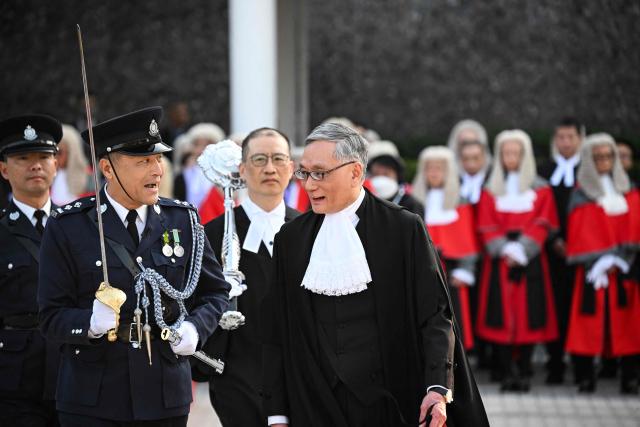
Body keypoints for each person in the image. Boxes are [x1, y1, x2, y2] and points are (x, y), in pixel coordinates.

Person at [262, 123, 488, 427]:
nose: (309, 185)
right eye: (304, 173)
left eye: (320, 173)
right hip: (314, 403)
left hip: (391, 401)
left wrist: (437, 387)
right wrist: (277, 413)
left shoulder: (404, 229)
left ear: (355, 172)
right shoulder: (291, 239)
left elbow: (435, 315)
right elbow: (276, 330)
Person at [38, 106, 231, 425]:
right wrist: (89, 322)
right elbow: (50, 315)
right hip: (93, 395)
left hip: (164, 392)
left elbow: (215, 293)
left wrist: (196, 327)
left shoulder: (181, 219)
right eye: (143, 161)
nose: (157, 170)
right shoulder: (69, 225)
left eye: (158, 159)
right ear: (108, 168)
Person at [192, 128, 300, 426]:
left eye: (278, 159)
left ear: (291, 167)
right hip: (237, 374)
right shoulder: (212, 233)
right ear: (242, 169)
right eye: (259, 159)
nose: (269, 168)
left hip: (298, 374)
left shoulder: (310, 229)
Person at [475, 130, 559, 392]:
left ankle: (524, 371)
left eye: (516, 153)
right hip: (500, 263)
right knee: (500, 315)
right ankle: (505, 371)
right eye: (506, 153)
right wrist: (505, 250)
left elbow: (544, 221)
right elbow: (486, 224)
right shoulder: (490, 189)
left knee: (527, 315)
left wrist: (523, 249)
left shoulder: (542, 188)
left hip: (531, 261)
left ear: (525, 155)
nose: (511, 157)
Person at [565, 133, 640, 394]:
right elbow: (579, 233)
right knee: (587, 325)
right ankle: (586, 377)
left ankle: (629, 377)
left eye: (609, 156)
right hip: (591, 271)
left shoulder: (629, 191)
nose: (604, 162)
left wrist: (620, 259)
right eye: (598, 157)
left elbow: (635, 228)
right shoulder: (581, 196)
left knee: (629, 326)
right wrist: (598, 261)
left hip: (623, 269)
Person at [0, 114, 62, 426]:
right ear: (4, 169)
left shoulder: (80, 225)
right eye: (23, 158)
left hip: (74, 370)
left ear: (57, 164)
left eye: (43, 157)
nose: (35, 165)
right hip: (15, 378)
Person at [411, 146, 479, 350]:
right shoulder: (414, 202)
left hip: (451, 271)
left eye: (439, 168)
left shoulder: (460, 202)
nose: (433, 172)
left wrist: (466, 269)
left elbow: (468, 239)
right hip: (422, 269)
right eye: (429, 168)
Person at [537, 117, 583, 384]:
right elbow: (541, 211)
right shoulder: (545, 170)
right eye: (561, 137)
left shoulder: (587, 169)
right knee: (554, 309)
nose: (565, 142)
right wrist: (554, 239)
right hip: (551, 252)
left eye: (570, 137)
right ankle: (555, 365)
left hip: (581, 254)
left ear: (579, 139)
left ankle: (581, 368)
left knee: (577, 311)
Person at [173, 123, 226, 223]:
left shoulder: (225, 175)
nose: (202, 149)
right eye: (197, 144)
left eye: (208, 144)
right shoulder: (183, 175)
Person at [367, 140, 423, 216]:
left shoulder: (410, 204)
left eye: (386, 174)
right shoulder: (360, 202)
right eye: (376, 174)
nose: (381, 178)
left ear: (397, 174)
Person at [447, 119, 492, 206]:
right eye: (464, 143)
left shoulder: (493, 175)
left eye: (473, 142)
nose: (469, 148)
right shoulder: (447, 177)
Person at [50, 124, 90, 206]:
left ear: (72, 151)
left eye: (59, 153)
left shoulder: (88, 176)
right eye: (53, 153)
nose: (55, 157)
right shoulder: (50, 175)